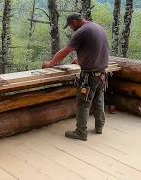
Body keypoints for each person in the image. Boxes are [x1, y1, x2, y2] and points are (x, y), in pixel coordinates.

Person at [42, 12, 109, 141]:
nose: (70, 28)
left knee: (83, 103)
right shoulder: (97, 27)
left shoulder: (81, 32)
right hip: (101, 73)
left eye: (70, 25)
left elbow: (64, 52)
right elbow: (96, 49)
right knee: (98, 100)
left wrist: (50, 63)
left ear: (74, 22)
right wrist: (80, 61)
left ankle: (81, 132)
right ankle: (99, 127)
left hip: (89, 76)